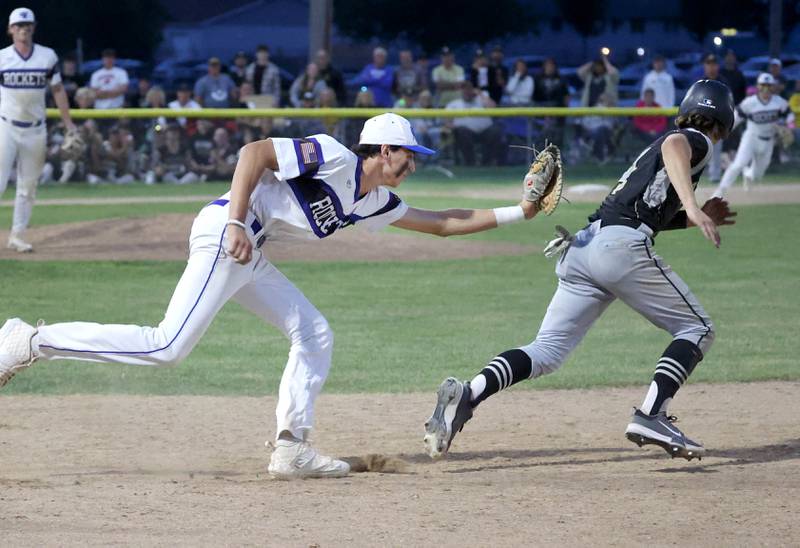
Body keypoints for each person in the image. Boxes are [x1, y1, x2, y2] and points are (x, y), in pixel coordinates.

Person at [0, 113, 544, 480]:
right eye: (409, 153)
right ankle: (31, 341)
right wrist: (237, 220)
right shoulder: (331, 155)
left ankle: (292, 446)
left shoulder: (374, 200)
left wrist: (520, 211)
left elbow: (444, 222)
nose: (415, 162)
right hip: (226, 233)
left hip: (249, 254)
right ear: (384, 148)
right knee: (166, 346)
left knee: (314, 332)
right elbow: (253, 153)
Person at [423, 80, 737, 464]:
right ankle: (651, 415)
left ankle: (468, 394)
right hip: (617, 248)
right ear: (723, 120)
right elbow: (676, 145)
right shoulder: (693, 139)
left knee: (546, 351)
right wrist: (691, 205)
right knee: (697, 329)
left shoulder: (662, 149)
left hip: (584, 247)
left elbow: (644, 210)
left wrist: (691, 216)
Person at [0, 7, 76, 252]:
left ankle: (17, 236)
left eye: (27, 25)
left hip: (35, 130)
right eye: (19, 26)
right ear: (10, 29)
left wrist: (69, 125)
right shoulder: (2, 57)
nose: (23, 29)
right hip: (6, 126)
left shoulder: (47, 56)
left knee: (28, 185)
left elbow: (57, 91)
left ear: (33, 27)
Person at [713, 73, 793, 197]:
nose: (766, 89)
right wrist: (725, 131)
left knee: (757, 175)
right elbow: (736, 118)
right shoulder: (750, 103)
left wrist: (789, 127)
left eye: (769, 86)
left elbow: (789, 116)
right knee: (738, 164)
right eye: (763, 85)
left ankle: (748, 174)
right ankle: (720, 191)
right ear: (758, 86)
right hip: (751, 137)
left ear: (773, 87)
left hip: (769, 141)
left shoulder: (779, 102)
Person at [446, 80, 504, 166]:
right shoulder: (454, 104)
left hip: (485, 131)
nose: (467, 91)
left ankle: (486, 162)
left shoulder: (481, 99)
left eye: (469, 88)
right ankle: (470, 162)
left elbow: (493, 107)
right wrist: (453, 127)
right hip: (466, 133)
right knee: (462, 132)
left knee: (495, 130)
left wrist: (481, 94)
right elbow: (447, 122)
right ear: (461, 90)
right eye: (464, 89)